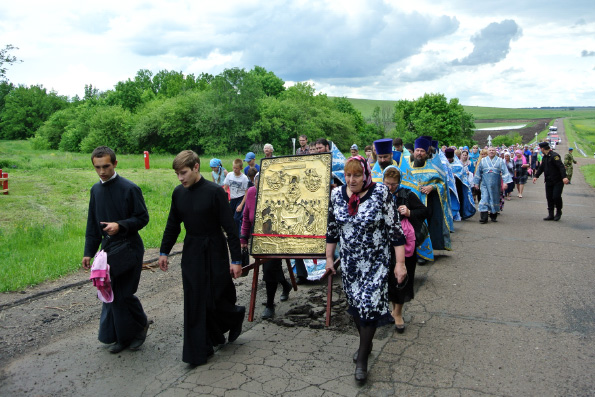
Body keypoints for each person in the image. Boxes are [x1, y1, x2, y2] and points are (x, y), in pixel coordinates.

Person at [158, 150, 245, 366]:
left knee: (216, 297)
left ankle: (235, 317)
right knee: (195, 300)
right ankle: (199, 351)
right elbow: (172, 225)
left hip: (215, 248)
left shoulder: (215, 192)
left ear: (196, 167)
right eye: (177, 174)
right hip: (192, 250)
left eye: (184, 173)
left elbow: (230, 229)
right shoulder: (178, 193)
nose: (180, 178)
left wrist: (236, 260)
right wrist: (164, 251)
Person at [325, 156, 407, 384]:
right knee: (356, 306)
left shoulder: (381, 193)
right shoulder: (336, 195)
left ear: (366, 174)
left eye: (357, 175)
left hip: (376, 262)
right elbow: (332, 229)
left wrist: (399, 264)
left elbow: (395, 231)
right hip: (350, 264)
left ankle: (362, 359)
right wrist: (329, 258)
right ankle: (366, 343)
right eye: (348, 175)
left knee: (369, 304)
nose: (352, 180)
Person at [82, 146, 150, 354]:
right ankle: (122, 337)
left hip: (129, 248)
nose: (102, 171)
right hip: (108, 250)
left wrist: (120, 225)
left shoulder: (129, 188)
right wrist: (88, 252)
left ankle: (138, 329)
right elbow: (93, 225)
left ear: (115, 164)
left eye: (106, 166)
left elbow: (142, 218)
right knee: (112, 294)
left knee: (124, 294)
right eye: (97, 167)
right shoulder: (96, 190)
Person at [383, 166, 428, 334]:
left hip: (406, 244)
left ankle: (398, 312)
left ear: (399, 183)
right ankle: (391, 310)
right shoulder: (378, 194)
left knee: (402, 277)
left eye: (393, 185)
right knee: (388, 277)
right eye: (387, 184)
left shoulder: (407, 194)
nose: (389, 188)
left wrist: (409, 212)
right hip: (385, 244)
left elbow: (424, 210)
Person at [240, 173, 292, 319]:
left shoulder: (279, 194)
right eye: (257, 183)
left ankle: (270, 305)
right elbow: (246, 216)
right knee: (269, 267)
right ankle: (285, 285)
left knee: (269, 269)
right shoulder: (251, 193)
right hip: (258, 238)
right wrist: (243, 237)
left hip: (276, 237)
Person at [473, 147, 512, 223]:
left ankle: (493, 215)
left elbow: (505, 172)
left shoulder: (500, 161)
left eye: (493, 150)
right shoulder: (483, 161)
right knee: (484, 198)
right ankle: (483, 218)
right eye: (490, 150)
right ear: (488, 151)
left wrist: (505, 182)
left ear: (495, 152)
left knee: (494, 199)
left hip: (495, 184)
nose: (491, 151)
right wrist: (476, 183)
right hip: (484, 184)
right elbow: (478, 172)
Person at [533, 141, 569, 221]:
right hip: (549, 181)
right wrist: (536, 176)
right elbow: (542, 167)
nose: (540, 150)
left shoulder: (554, 156)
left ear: (542, 148)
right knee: (549, 198)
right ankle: (551, 214)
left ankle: (558, 212)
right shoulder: (545, 157)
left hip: (557, 181)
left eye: (540, 149)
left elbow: (561, 167)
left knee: (556, 196)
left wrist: (564, 177)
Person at [223, 159, 250, 233]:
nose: (234, 170)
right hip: (232, 198)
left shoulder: (244, 178)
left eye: (236, 168)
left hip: (240, 198)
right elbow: (225, 187)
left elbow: (246, 192)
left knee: (236, 218)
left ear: (241, 168)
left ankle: (238, 235)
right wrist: (225, 198)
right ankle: (231, 232)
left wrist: (241, 205)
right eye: (233, 168)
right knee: (230, 217)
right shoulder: (229, 175)